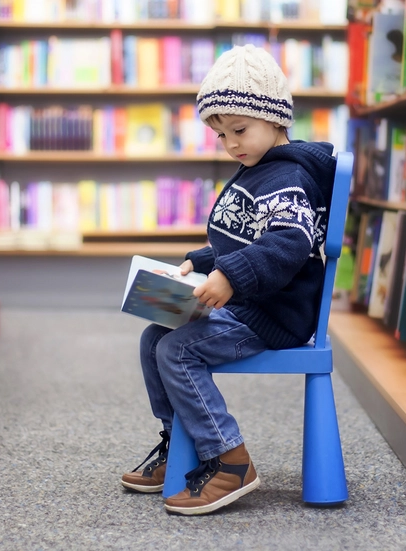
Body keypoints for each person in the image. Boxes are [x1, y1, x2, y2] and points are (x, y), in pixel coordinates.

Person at [120, 44, 338, 515]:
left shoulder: (286, 178)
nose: (231, 143)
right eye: (221, 135)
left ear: (275, 118)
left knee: (177, 349)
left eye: (239, 129)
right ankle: (180, 441)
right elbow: (244, 239)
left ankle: (229, 459)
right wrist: (200, 264)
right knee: (153, 337)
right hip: (248, 302)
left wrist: (229, 277)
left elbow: (287, 244)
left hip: (272, 315)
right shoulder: (257, 170)